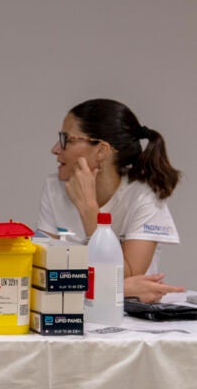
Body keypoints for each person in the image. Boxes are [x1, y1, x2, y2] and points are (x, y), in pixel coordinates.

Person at [39, 98, 183, 301]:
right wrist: (123, 288)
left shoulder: (144, 196)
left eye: (66, 140)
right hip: (69, 312)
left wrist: (89, 210)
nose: (55, 149)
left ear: (101, 151)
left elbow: (128, 274)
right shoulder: (55, 188)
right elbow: (42, 274)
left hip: (129, 318)